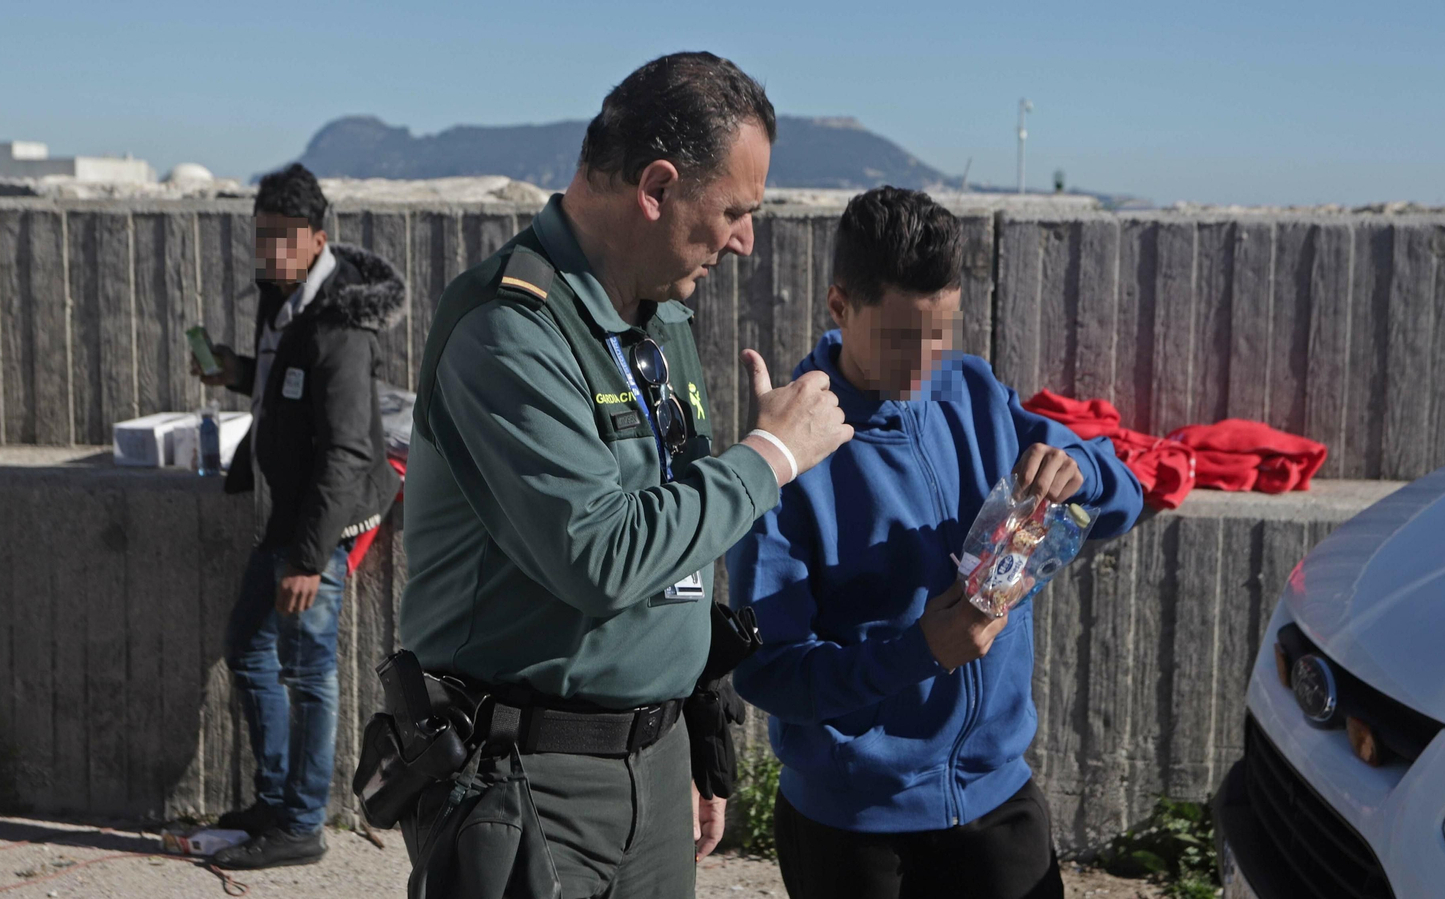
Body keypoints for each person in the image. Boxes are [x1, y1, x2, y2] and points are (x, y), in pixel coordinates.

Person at [394, 52, 851, 899]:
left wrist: (688, 716)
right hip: (529, 778)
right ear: (656, 187)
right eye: (734, 211)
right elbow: (600, 555)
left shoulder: (658, 316)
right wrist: (770, 458)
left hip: (649, 759)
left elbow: (672, 539)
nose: (747, 240)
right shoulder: (508, 329)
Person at [726, 187, 1146, 899]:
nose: (925, 364)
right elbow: (768, 674)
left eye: (940, 333)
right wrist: (920, 650)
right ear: (839, 305)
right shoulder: (790, 452)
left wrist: (1085, 473)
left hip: (996, 799)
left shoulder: (972, 391)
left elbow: (1123, 497)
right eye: (900, 338)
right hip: (852, 830)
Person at [192, 162, 405, 869]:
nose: (270, 253)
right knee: (249, 649)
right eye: (261, 238)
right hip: (289, 517)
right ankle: (278, 800)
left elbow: (345, 449)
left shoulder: (340, 325)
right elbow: (288, 384)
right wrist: (237, 371)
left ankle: (303, 822)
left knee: (309, 672)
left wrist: (311, 558)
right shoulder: (285, 297)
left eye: (285, 240)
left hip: (322, 527)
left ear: (317, 240)